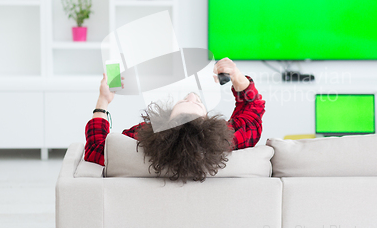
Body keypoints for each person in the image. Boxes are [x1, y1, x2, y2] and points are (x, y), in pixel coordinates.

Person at [84, 58, 266, 182]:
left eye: (184, 101)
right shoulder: (228, 142)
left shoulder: (135, 146)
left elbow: (95, 148)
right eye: (196, 103)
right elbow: (253, 111)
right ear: (210, 127)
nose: (192, 96)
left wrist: (103, 100)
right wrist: (238, 77)